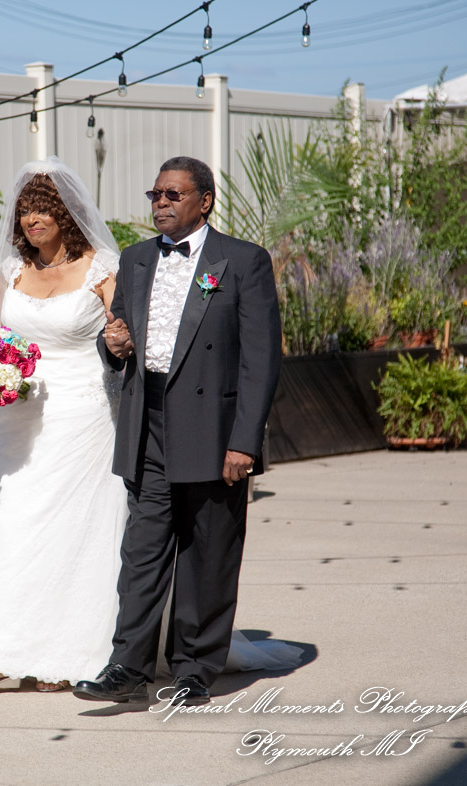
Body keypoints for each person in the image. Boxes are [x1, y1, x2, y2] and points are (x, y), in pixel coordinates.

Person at [73, 156, 288, 707]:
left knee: (207, 552)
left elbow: (260, 361)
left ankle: (195, 667)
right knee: (141, 552)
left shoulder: (242, 261)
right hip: (149, 425)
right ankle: (128, 665)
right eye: (155, 194)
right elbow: (117, 341)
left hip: (215, 431)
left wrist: (244, 442)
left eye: (173, 194)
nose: (161, 203)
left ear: (204, 201)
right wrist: (112, 347)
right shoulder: (137, 259)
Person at [0, 157, 128, 693]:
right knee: (19, 528)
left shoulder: (101, 266)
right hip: (21, 415)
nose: (32, 219)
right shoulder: (13, 270)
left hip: (84, 413)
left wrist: (121, 339)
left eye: (43, 209)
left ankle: (69, 656)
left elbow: (126, 332)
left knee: (81, 532)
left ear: (66, 214)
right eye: (25, 211)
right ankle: (1, 654)